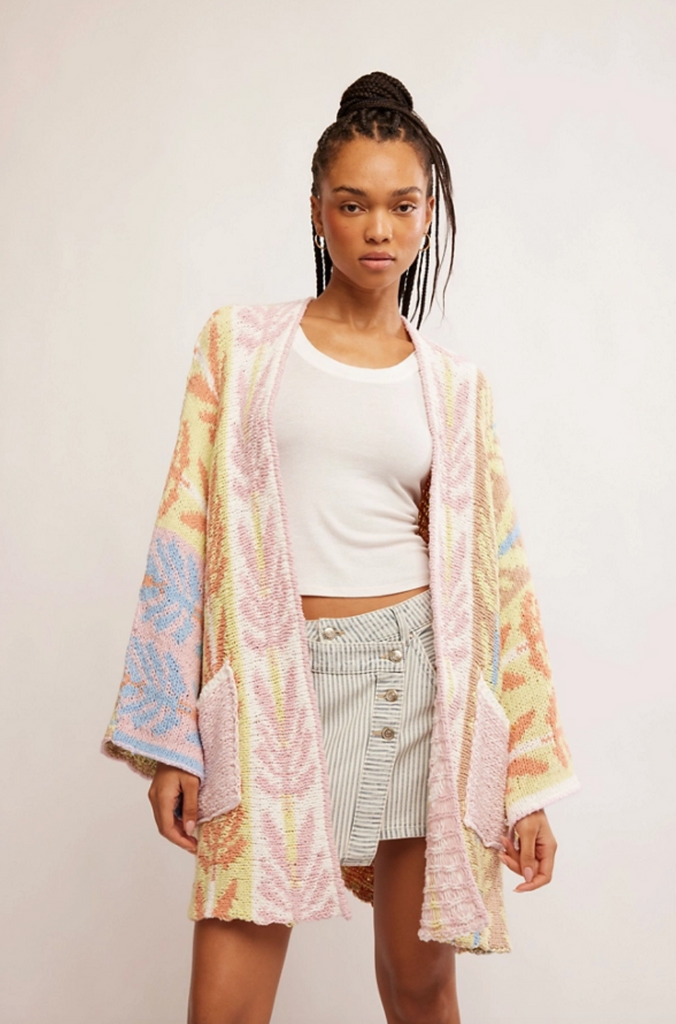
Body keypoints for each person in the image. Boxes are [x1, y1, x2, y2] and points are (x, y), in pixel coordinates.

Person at [101, 71, 581, 1024]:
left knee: (418, 983)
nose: (378, 230)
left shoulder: (454, 388)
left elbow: (499, 582)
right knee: (224, 1004)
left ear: (428, 214)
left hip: (417, 684)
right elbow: (184, 527)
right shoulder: (239, 348)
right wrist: (171, 740)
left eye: (403, 206)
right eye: (353, 204)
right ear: (318, 210)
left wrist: (524, 783)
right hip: (271, 684)